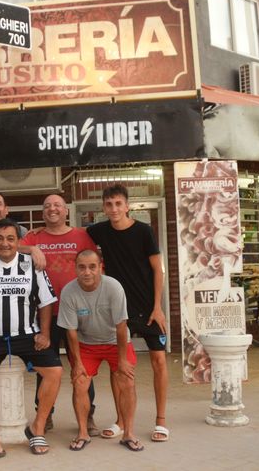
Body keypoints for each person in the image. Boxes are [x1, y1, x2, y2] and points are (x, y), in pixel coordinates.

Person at [0, 219, 63, 464]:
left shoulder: (32, 264)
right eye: (0, 238)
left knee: (55, 372)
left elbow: (46, 301)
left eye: (10, 239)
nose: (5, 243)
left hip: (27, 335)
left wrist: (45, 333)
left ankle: (37, 429)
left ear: (18, 242)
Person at [86, 184, 169, 443]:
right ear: (103, 207)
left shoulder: (144, 231)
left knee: (158, 360)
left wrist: (158, 307)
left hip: (148, 308)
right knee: (118, 366)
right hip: (119, 310)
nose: (114, 209)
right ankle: (121, 420)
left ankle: (161, 421)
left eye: (118, 204)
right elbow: (72, 235)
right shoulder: (99, 231)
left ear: (127, 205)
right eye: (109, 204)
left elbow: (159, 270)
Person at [21, 194, 99, 435]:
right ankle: (46, 414)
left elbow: (95, 269)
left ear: (66, 210)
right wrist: (31, 248)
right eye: (46, 206)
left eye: (57, 205)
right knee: (45, 367)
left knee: (82, 365)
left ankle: (88, 416)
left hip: (78, 312)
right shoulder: (34, 236)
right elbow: (9, 246)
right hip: (45, 314)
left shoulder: (82, 236)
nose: (51, 209)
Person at [58, 250, 141, 452]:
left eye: (92, 267)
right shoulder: (69, 292)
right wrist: (76, 364)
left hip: (116, 342)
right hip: (87, 344)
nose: (87, 272)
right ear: (75, 268)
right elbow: (71, 332)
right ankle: (83, 433)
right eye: (82, 267)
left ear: (100, 267)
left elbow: (122, 326)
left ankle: (128, 433)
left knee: (127, 380)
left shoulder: (113, 287)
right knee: (79, 383)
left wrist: (122, 360)